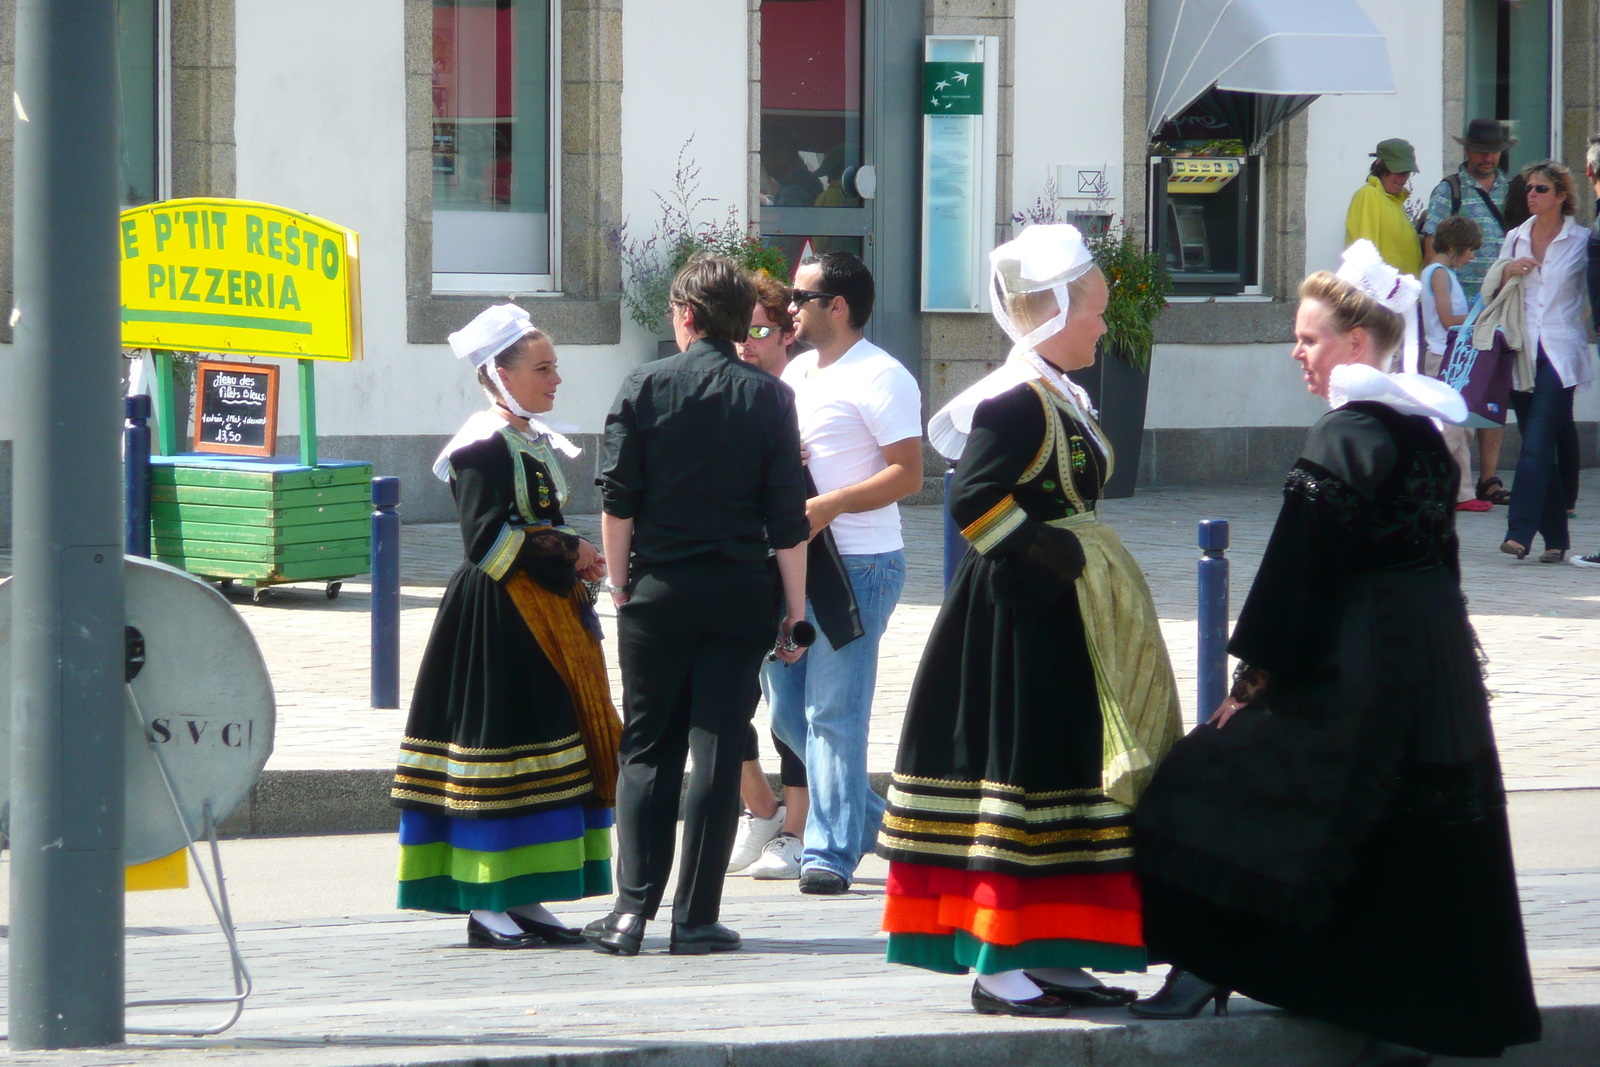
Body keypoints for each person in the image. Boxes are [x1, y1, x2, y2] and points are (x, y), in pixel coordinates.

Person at [1132, 241, 1541, 1067]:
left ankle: (1204, 963)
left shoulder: (1350, 430)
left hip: (1357, 656)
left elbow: (1301, 562)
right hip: (1427, 657)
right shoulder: (1423, 431)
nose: (1298, 353)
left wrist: (1253, 679)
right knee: (1397, 822)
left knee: (1208, 778)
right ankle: (1402, 1005)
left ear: (1358, 344)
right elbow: (1438, 558)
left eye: (1309, 338)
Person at [880, 224, 1184, 1018]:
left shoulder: (1056, 394)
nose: (1102, 326)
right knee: (1021, 779)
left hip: (1063, 622)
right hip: (1020, 624)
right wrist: (1046, 555)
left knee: (1068, 778)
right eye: (1093, 312)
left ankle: (1055, 948)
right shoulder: (1015, 400)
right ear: (1051, 313)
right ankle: (1000, 962)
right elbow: (972, 499)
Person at [586, 254, 811, 957]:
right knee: (717, 743)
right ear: (743, 318)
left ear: (684, 315)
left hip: (657, 590)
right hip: (741, 589)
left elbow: (616, 503)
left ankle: (629, 912)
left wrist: (619, 586)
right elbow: (788, 520)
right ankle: (696, 916)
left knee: (647, 746)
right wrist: (794, 611)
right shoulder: (770, 396)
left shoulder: (642, 386)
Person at [391, 304, 620, 949]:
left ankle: (525, 892)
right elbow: (485, 543)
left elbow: (531, 527)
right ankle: (485, 898)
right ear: (501, 374)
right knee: (497, 756)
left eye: (555, 367)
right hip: (497, 624)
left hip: (542, 618)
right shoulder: (481, 446)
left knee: (548, 753)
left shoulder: (526, 437)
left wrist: (574, 553)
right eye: (543, 368)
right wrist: (567, 552)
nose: (555, 380)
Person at [765, 250, 924, 896]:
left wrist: (830, 504)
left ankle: (828, 851)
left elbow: (908, 474)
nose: (790, 308)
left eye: (801, 298)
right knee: (785, 709)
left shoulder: (884, 376)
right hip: (794, 560)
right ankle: (879, 825)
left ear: (839, 306)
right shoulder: (799, 370)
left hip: (859, 562)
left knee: (834, 709)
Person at [726, 272, 812, 879]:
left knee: (792, 704)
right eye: (739, 331)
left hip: (804, 562)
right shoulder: (730, 391)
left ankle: (796, 829)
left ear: (787, 334)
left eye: (758, 331)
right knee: (728, 700)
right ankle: (760, 808)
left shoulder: (804, 391)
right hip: (736, 564)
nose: (746, 344)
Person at [1491, 161, 1591, 564]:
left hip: (1561, 353)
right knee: (1540, 447)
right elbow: (1496, 286)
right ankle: (1557, 539)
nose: (1532, 194)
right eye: (1529, 188)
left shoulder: (1582, 240)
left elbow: (1592, 294)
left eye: (1542, 189)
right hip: (1520, 352)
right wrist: (1510, 269)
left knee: (1534, 443)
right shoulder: (1515, 238)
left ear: (1562, 196)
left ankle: (1518, 533)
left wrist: (1582, 323)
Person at [1422, 119, 1519, 507]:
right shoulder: (1450, 190)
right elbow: (1432, 243)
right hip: (1461, 312)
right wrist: (1440, 284)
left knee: (1492, 390)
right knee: (1463, 397)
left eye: (1493, 150)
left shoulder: (1513, 189)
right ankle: (1459, 484)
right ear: (1467, 151)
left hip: (1497, 306)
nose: (1487, 156)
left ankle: (1489, 477)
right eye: (1480, 150)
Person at [1419, 216, 1488, 512]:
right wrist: (1482, 315)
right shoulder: (1440, 274)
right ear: (1455, 246)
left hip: (1450, 356)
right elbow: (1447, 320)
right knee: (1450, 429)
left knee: (1462, 428)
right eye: (1470, 250)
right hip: (1443, 356)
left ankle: (1463, 493)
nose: (1472, 257)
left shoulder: (1440, 272)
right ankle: (1425, 489)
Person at [1345, 138, 1422, 276]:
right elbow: (1365, 256)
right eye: (1398, 171)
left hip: (1400, 294)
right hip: (1379, 295)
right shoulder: (1368, 195)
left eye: (1407, 172)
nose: (1404, 178)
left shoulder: (1395, 203)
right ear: (1380, 168)